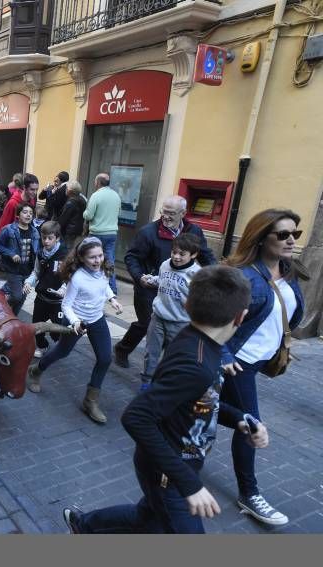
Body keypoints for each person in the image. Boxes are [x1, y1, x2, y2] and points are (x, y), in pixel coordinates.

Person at [64, 266, 269, 534]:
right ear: (241, 317)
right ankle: (84, 525)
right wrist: (189, 483)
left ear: (186, 305)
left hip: (177, 466)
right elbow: (136, 417)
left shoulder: (206, 346)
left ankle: (83, 524)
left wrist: (241, 418)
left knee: (147, 518)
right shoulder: (195, 362)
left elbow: (201, 401)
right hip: (168, 473)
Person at [219, 209, 305, 526]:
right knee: (251, 423)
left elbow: (290, 315)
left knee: (213, 408)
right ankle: (250, 494)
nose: (291, 240)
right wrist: (226, 356)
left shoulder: (290, 270)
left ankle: (189, 417)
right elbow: (216, 324)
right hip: (237, 363)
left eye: (295, 233)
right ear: (261, 237)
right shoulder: (244, 277)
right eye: (282, 234)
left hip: (257, 362)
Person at [26, 237, 123, 423]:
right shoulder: (77, 278)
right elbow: (66, 305)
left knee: (104, 359)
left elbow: (104, 287)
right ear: (82, 258)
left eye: (100, 255)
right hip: (77, 322)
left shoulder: (103, 270)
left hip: (97, 320)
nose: (97, 260)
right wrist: (75, 322)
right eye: (92, 257)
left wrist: (112, 299)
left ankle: (90, 401)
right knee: (62, 352)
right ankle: (36, 370)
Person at [115, 196, 216, 368]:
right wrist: (140, 277)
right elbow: (132, 257)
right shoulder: (148, 232)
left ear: (183, 213)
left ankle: (159, 365)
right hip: (149, 287)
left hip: (177, 289)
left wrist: (218, 276)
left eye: (171, 213)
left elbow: (205, 255)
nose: (166, 217)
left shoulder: (195, 231)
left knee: (167, 328)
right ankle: (123, 349)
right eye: (164, 212)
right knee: (147, 323)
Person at [141, 233, 202, 389]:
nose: (176, 257)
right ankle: (146, 383)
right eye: (174, 252)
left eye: (182, 254)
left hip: (180, 323)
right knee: (151, 353)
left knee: (172, 357)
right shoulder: (165, 265)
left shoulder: (197, 275)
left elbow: (201, 300)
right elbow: (162, 280)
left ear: (193, 254)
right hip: (158, 318)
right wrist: (150, 279)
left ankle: (163, 385)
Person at [24, 221, 69, 361]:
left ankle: (58, 347)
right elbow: (36, 272)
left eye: (50, 238)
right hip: (42, 298)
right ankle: (42, 346)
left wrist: (64, 288)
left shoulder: (65, 255)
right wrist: (28, 282)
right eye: (44, 238)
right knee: (37, 326)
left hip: (58, 301)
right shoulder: (40, 254)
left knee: (57, 329)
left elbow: (70, 276)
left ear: (57, 238)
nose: (46, 241)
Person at [0, 203, 39, 316]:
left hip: (28, 271)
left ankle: (13, 317)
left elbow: (36, 250)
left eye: (31, 213)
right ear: (18, 215)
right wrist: (11, 254)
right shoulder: (8, 230)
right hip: (13, 270)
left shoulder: (34, 232)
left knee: (22, 297)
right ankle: (0, 302)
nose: (28, 215)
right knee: (17, 296)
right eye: (25, 212)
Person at [83, 173, 121, 294]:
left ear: (98, 183)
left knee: (91, 258)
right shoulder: (116, 196)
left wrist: (84, 213)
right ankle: (112, 288)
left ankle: (90, 285)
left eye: (95, 182)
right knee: (109, 260)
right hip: (112, 233)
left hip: (97, 232)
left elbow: (88, 215)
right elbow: (118, 213)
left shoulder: (96, 195)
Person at [0, 173, 38, 238]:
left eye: (36, 189)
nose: (35, 192)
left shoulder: (32, 200)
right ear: (24, 187)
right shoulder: (13, 203)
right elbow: (3, 224)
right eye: (32, 189)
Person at [57, 181, 86, 251]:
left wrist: (57, 228)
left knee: (67, 250)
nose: (65, 190)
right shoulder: (82, 200)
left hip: (69, 231)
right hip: (78, 230)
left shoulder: (71, 202)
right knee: (74, 250)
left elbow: (63, 219)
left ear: (70, 191)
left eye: (66, 188)